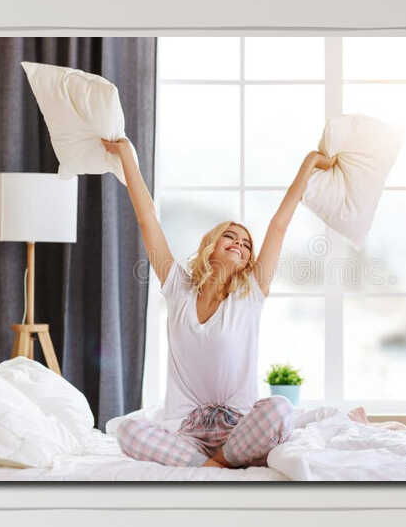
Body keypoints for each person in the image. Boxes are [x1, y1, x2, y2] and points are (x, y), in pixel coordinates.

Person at [103, 135, 335, 468]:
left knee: (280, 408)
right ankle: (219, 464)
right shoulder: (178, 286)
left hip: (240, 427)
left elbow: (279, 226)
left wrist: (310, 162)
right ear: (211, 244)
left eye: (246, 244)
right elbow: (147, 220)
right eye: (230, 236)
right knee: (127, 430)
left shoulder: (252, 292)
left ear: (248, 260)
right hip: (189, 433)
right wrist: (126, 153)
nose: (239, 244)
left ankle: (218, 462)